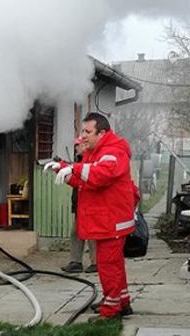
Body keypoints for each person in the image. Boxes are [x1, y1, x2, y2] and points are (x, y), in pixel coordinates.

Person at [45, 112, 139, 319]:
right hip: (108, 219)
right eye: (82, 131)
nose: (83, 136)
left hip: (112, 220)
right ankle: (121, 302)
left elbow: (100, 175)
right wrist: (65, 173)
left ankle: (111, 309)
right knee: (114, 265)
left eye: (88, 131)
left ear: (102, 133)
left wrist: (70, 167)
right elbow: (86, 182)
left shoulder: (113, 152)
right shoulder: (96, 152)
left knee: (107, 266)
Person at [61, 137, 97, 274]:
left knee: (92, 234)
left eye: (78, 145)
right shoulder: (79, 161)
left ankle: (96, 263)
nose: (76, 148)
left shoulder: (90, 161)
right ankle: (76, 262)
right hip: (79, 204)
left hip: (90, 204)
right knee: (76, 232)